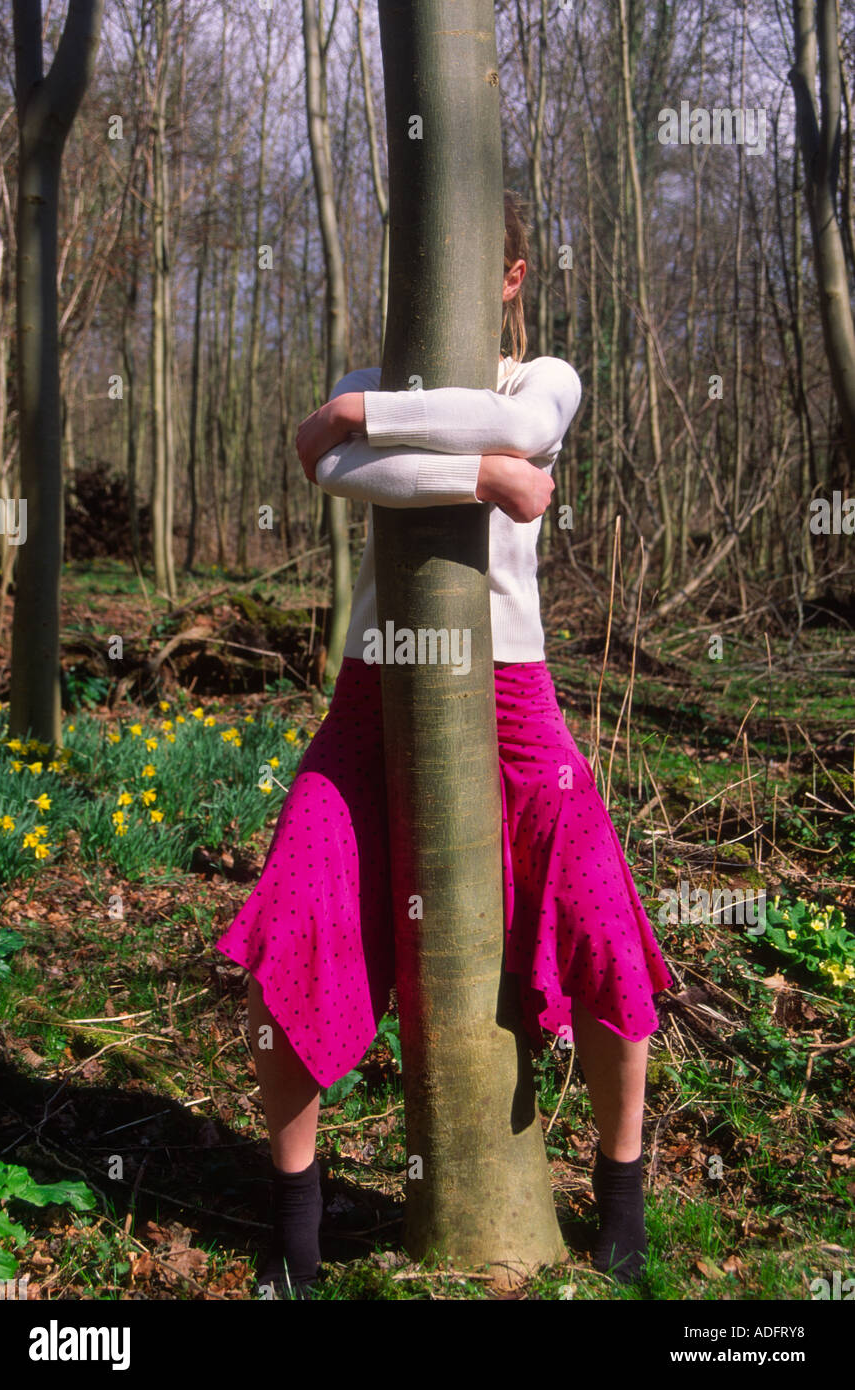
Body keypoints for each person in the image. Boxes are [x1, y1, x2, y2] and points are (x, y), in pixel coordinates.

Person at [215, 189, 674, 1297]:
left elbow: (510, 434)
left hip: (514, 698)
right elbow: (324, 463)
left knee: (603, 922)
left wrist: (365, 427)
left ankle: (620, 1195)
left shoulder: (543, 377)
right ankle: (297, 1223)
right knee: (299, 909)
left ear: (511, 279)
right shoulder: (373, 378)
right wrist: (475, 478)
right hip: (377, 692)